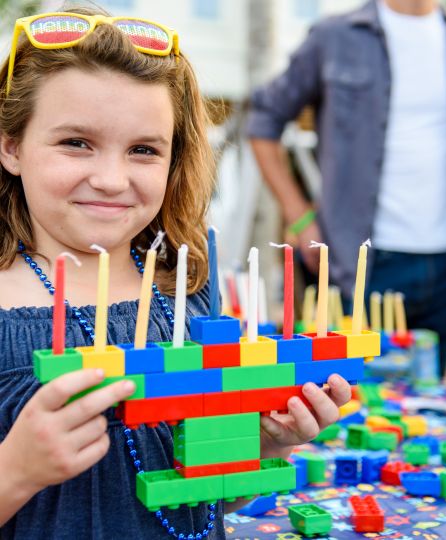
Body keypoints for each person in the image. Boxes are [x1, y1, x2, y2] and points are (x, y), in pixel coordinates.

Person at [0, 7, 351, 538]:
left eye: (144, 150)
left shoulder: (186, 291)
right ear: (11, 146)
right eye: (77, 142)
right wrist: (15, 472)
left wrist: (263, 443)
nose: (113, 179)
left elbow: (205, 503)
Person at [247, 0, 446, 376]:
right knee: (353, 402)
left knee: (427, 403)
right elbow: (263, 121)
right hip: (360, 262)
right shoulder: (335, 36)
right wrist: (299, 218)